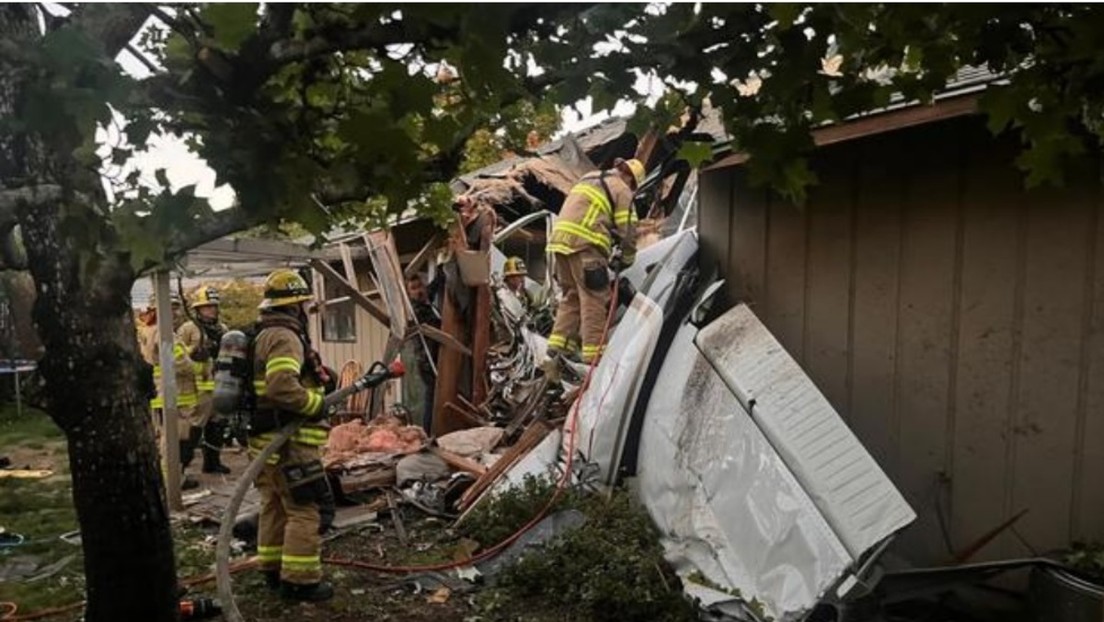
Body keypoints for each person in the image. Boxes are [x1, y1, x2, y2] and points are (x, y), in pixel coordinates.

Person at [248, 269, 334, 602]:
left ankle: (272, 570)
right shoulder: (285, 337)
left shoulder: (262, 334)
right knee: (304, 508)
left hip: (265, 441)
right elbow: (281, 386)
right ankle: (300, 582)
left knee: (274, 505)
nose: (305, 311)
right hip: (290, 443)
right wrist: (316, 404)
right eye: (303, 305)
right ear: (295, 305)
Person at [546, 158, 644, 365]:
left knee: (572, 295)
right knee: (594, 299)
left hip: (560, 244)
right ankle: (594, 356)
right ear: (631, 179)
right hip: (586, 246)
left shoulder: (588, 178)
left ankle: (558, 349)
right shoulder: (622, 189)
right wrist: (627, 258)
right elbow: (628, 230)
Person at [139, 292, 201, 490]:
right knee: (173, 439)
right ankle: (171, 482)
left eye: (176, 307)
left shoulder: (147, 330)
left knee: (164, 437)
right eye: (171, 308)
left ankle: (169, 478)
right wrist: (201, 367)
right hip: (173, 393)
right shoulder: (164, 333)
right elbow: (179, 361)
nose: (175, 312)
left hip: (158, 392)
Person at [177, 286, 230, 475]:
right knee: (194, 426)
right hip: (196, 388)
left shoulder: (223, 329)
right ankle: (181, 469)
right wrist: (194, 352)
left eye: (214, 306)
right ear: (198, 309)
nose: (212, 310)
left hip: (218, 383)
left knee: (217, 423)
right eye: (207, 306)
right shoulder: (188, 329)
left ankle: (212, 463)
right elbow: (177, 354)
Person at [405, 272, 440, 435]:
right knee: (431, 397)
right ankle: (428, 431)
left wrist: (443, 268)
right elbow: (435, 325)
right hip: (427, 360)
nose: (418, 291)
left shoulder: (426, 299)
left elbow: (432, 288)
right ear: (408, 293)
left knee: (434, 395)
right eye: (413, 289)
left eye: (420, 287)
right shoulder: (417, 310)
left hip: (435, 356)